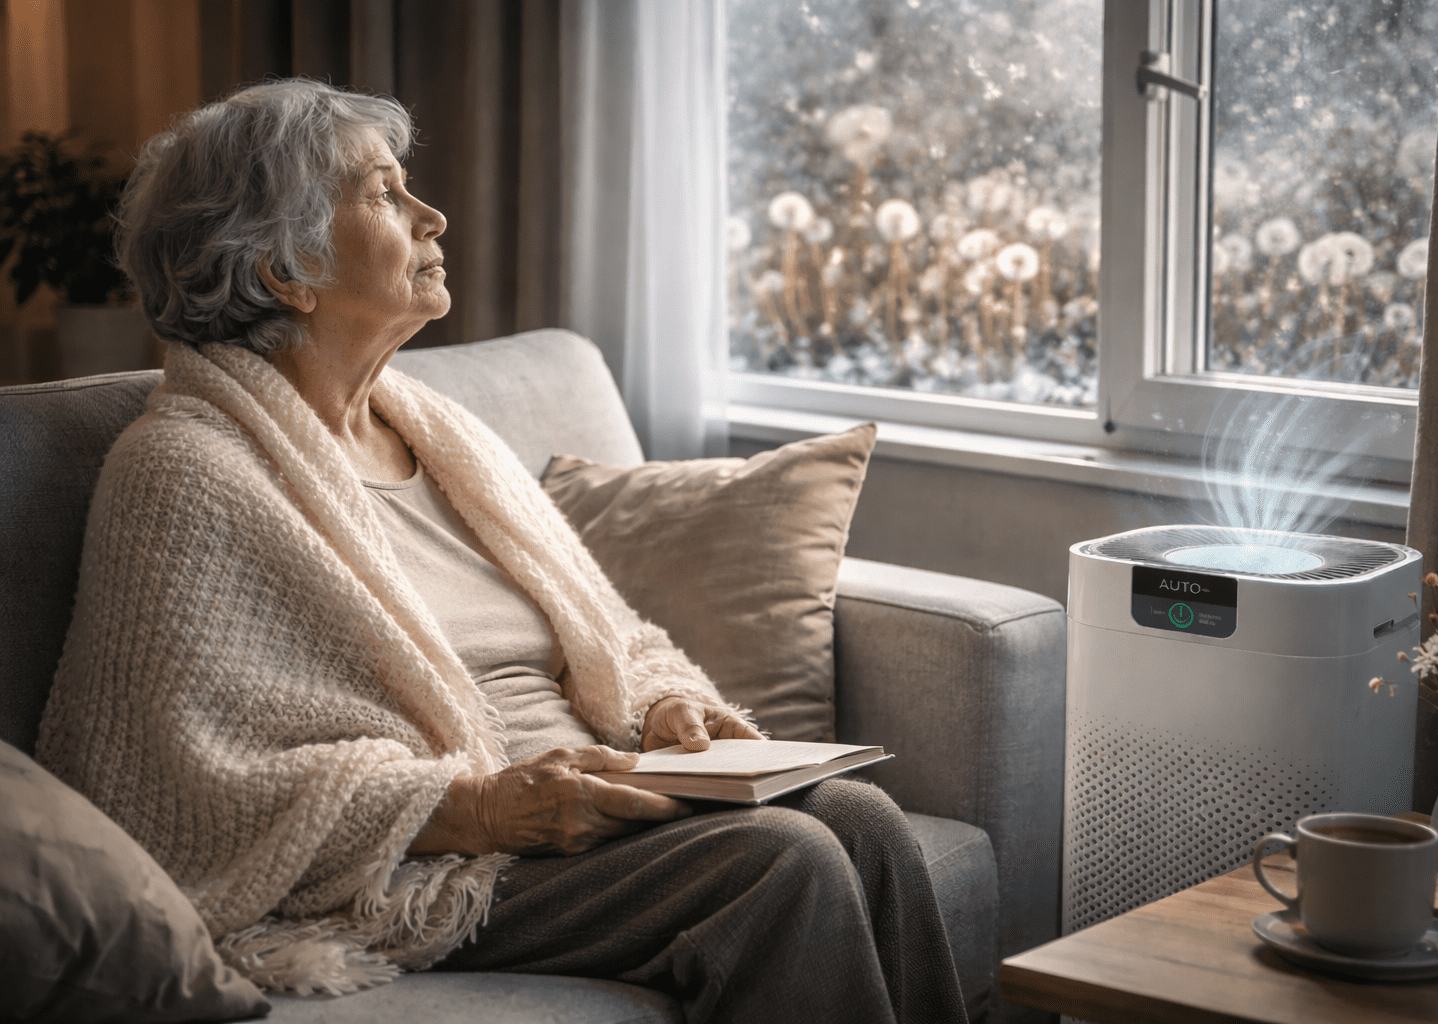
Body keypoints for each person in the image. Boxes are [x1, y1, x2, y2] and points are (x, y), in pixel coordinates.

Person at [34, 79, 966, 1024]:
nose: (434, 215)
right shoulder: (183, 470)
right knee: (787, 861)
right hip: (447, 861)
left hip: (593, 797)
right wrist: (485, 808)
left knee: (863, 819)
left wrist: (668, 709)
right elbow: (183, 789)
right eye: (385, 195)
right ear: (286, 271)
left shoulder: (439, 431)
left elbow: (611, 639)